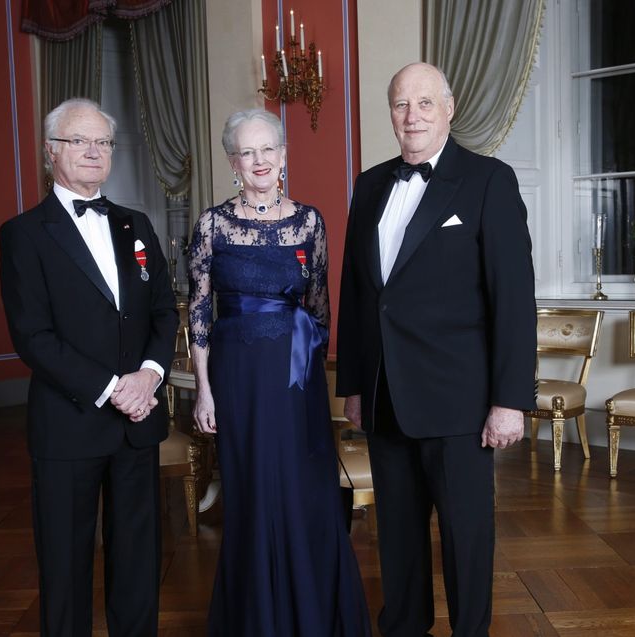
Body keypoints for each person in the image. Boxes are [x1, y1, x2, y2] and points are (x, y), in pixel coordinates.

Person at [337, 63, 537, 637]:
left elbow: (513, 300)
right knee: (396, 539)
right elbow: (358, 293)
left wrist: (510, 400)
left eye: (425, 103)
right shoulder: (370, 183)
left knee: (466, 538)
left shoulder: (488, 181)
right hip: (384, 397)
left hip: (459, 403)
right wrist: (353, 385)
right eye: (401, 104)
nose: (412, 116)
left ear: (449, 110)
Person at [188, 108, 371, 637]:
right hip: (237, 380)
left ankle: (312, 615)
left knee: (301, 490)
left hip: (296, 382)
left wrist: (308, 373)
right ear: (232, 162)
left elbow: (320, 310)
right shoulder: (212, 224)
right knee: (250, 492)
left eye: (268, 149)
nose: (259, 160)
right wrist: (205, 391)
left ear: (284, 156)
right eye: (247, 151)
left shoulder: (309, 222)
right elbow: (200, 311)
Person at [0, 98, 178, 637]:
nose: (93, 151)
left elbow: (166, 310)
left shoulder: (136, 224)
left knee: (138, 561)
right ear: (51, 151)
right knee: (65, 564)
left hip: (138, 422)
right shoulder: (24, 233)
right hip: (68, 425)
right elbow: (33, 337)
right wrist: (110, 388)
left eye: (102, 142)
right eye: (80, 141)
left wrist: (149, 375)